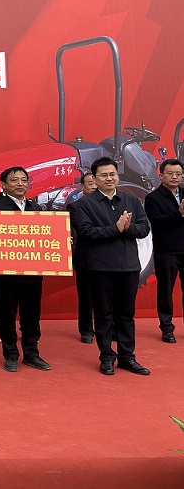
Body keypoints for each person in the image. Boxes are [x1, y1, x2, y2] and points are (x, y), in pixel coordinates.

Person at [75, 156, 151, 375]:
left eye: (112, 174)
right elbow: (87, 233)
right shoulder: (83, 205)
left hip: (129, 267)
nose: (109, 178)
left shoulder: (131, 200)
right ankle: (107, 357)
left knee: (126, 315)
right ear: (94, 178)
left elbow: (144, 228)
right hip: (100, 268)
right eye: (104, 175)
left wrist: (127, 228)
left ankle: (127, 357)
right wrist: (115, 229)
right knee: (103, 315)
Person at [0, 167, 50, 373]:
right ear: (3, 185)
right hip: (7, 273)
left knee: (32, 315)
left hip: (33, 272)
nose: (20, 184)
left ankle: (31, 354)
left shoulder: (36, 207)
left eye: (24, 180)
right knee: (7, 315)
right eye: (14, 180)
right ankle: (11, 354)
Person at [143, 158, 184, 344]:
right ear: (161, 175)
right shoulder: (153, 198)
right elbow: (157, 221)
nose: (175, 177)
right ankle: (167, 328)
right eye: (170, 173)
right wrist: (179, 213)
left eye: (178, 174)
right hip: (166, 251)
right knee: (165, 291)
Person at [66, 171, 98, 343]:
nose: (94, 186)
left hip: (109, 257)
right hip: (85, 257)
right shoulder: (75, 207)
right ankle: (86, 330)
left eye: (96, 182)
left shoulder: (114, 204)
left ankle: (109, 328)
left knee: (108, 295)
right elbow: (79, 229)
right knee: (86, 296)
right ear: (82, 186)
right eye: (90, 183)